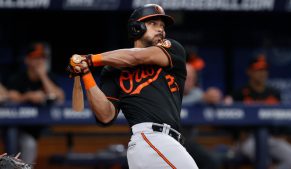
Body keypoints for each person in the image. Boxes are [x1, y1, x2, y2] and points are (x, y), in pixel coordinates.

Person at [67, 4, 198, 169]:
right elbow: (105, 116)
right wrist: (86, 74)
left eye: (162, 26)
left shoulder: (173, 49)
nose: (160, 30)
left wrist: (90, 59)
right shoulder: (113, 69)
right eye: (153, 24)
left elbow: (135, 57)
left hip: (165, 143)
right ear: (136, 28)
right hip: (149, 138)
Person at [228, 55, 291, 169]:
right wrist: (238, 136)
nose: (262, 73)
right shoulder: (240, 93)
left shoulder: (274, 93)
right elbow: (228, 118)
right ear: (249, 72)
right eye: (258, 70)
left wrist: (281, 134)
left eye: (264, 70)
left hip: (272, 138)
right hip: (248, 140)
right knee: (261, 159)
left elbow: (282, 118)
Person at [5, 42, 65, 164]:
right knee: (26, 142)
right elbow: (9, 96)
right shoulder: (18, 78)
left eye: (42, 58)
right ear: (27, 60)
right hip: (20, 127)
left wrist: (43, 76)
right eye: (35, 57)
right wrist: (27, 96)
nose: (39, 61)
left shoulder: (48, 77)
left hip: (42, 127)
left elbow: (59, 97)